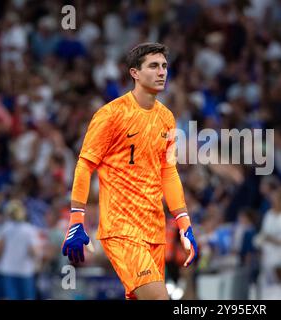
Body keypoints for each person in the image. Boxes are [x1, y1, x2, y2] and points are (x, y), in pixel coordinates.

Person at [61, 43, 198, 300]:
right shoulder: (111, 114)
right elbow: (85, 164)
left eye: (164, 66)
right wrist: (76, 218)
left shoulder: (166, 118)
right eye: (154, 66)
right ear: (135, 73)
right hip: (122, 227)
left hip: (154, 230)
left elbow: (168, 172)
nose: (162, 72)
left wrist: (183, 222)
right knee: (160, 298)